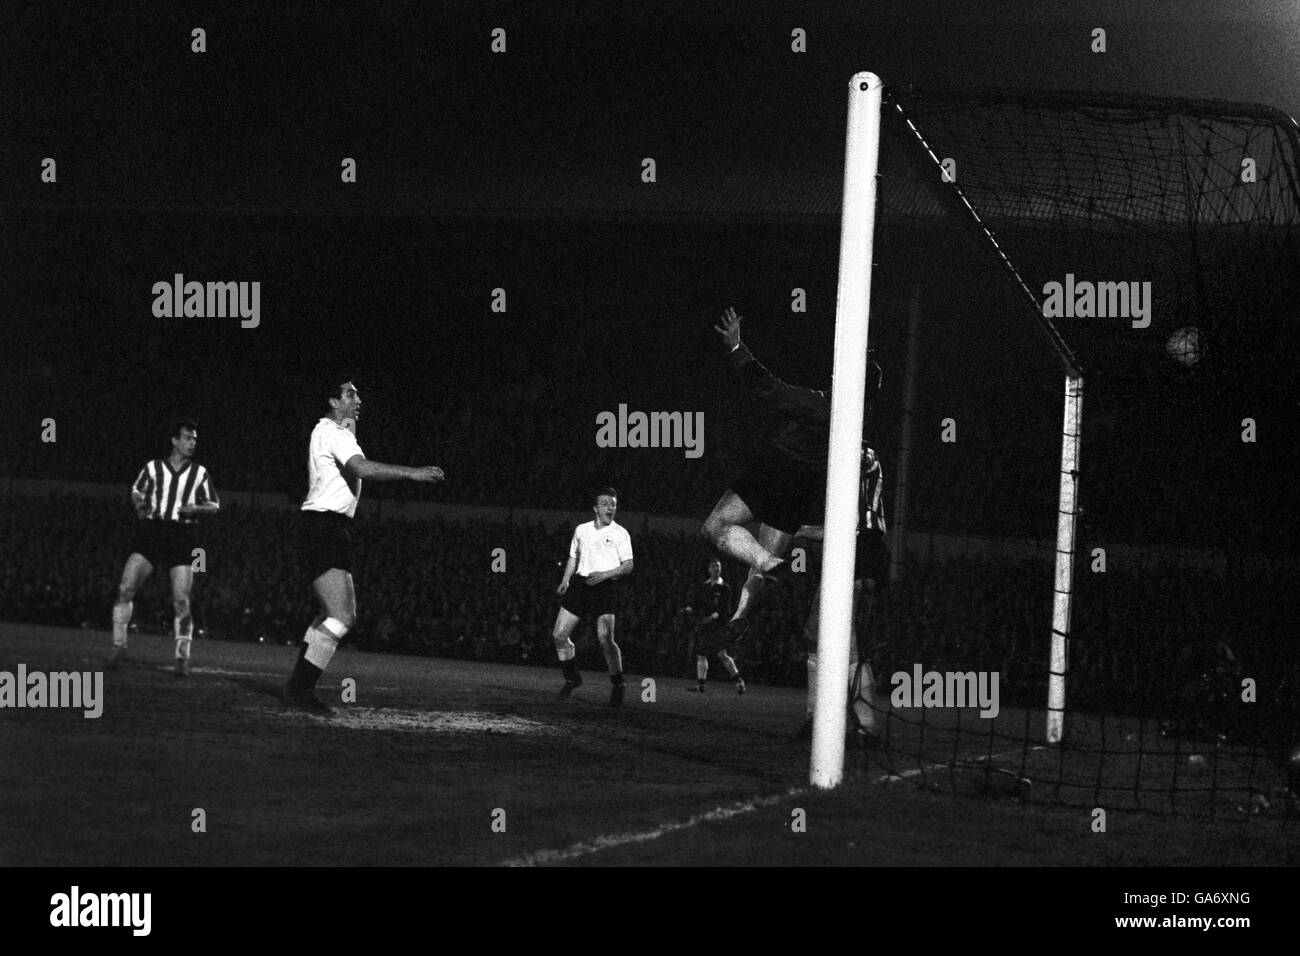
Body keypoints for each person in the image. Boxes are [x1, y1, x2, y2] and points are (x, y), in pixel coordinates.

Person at [702, 306, 881, 650]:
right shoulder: (859, 429)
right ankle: (741, 616)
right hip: (801, 492)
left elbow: (770, 389)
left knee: (715, 527)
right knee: (762, 565)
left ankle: (768, 564)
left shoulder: (823, 407)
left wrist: (738, 348)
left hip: (776, 470)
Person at [281, 377, 444, 713]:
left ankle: (297, 687)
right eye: (350, 394)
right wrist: (412, 474)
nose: (358, 399)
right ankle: (299, 690)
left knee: (331, 615)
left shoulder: (330, 432)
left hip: (327, 527)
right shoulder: (334, 432)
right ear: (333, 400)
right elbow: (362, 469)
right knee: (342, 617)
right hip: (324, 527)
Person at [793, 446, 890, 749]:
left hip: (864, 551)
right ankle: (815, 716)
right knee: (813, 632)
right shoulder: (834, 477)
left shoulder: (862, 453)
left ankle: (867, 726)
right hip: (848, 550)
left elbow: (852, 526)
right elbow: (835, 528)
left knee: (849, 642)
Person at [110, 418, 220, 676]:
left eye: (194, 439)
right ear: (174, 440)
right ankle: (118, 645)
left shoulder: (199, 473)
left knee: (181, 599)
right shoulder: (153, 467)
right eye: (187, 438)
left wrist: (196, 508)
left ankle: (182, 657)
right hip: (152, 531)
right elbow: (137, 490)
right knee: (125, 588)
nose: (192, 443)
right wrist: (139, 505)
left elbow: (215, 505)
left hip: (182, 535)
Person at [553, 488, 634, 706]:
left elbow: (628, 566)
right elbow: (573, 557)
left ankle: (618, 684)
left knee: (605, 638)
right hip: (581, 584)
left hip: (605, 586)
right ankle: (572, 678)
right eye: (606, 503)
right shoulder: (581, 530)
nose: (611, 507)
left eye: (613, 504)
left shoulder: (620, 533)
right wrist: (566, 580)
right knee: (559, 635)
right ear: (596, 508)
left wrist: (605, 575)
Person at [681, 558, 746, 694]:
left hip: (718, 627)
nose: (716, 568)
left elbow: (725, 609)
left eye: (718, 566)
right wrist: (690, 608)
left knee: (722, 654)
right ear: (709, 569)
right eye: (713, 566)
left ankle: (739, 682)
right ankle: (701, 685)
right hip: (705, 626)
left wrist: (714, 617)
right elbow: (697, 602)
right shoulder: (704, 586)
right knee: (701, 654)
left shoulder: (725, 588)